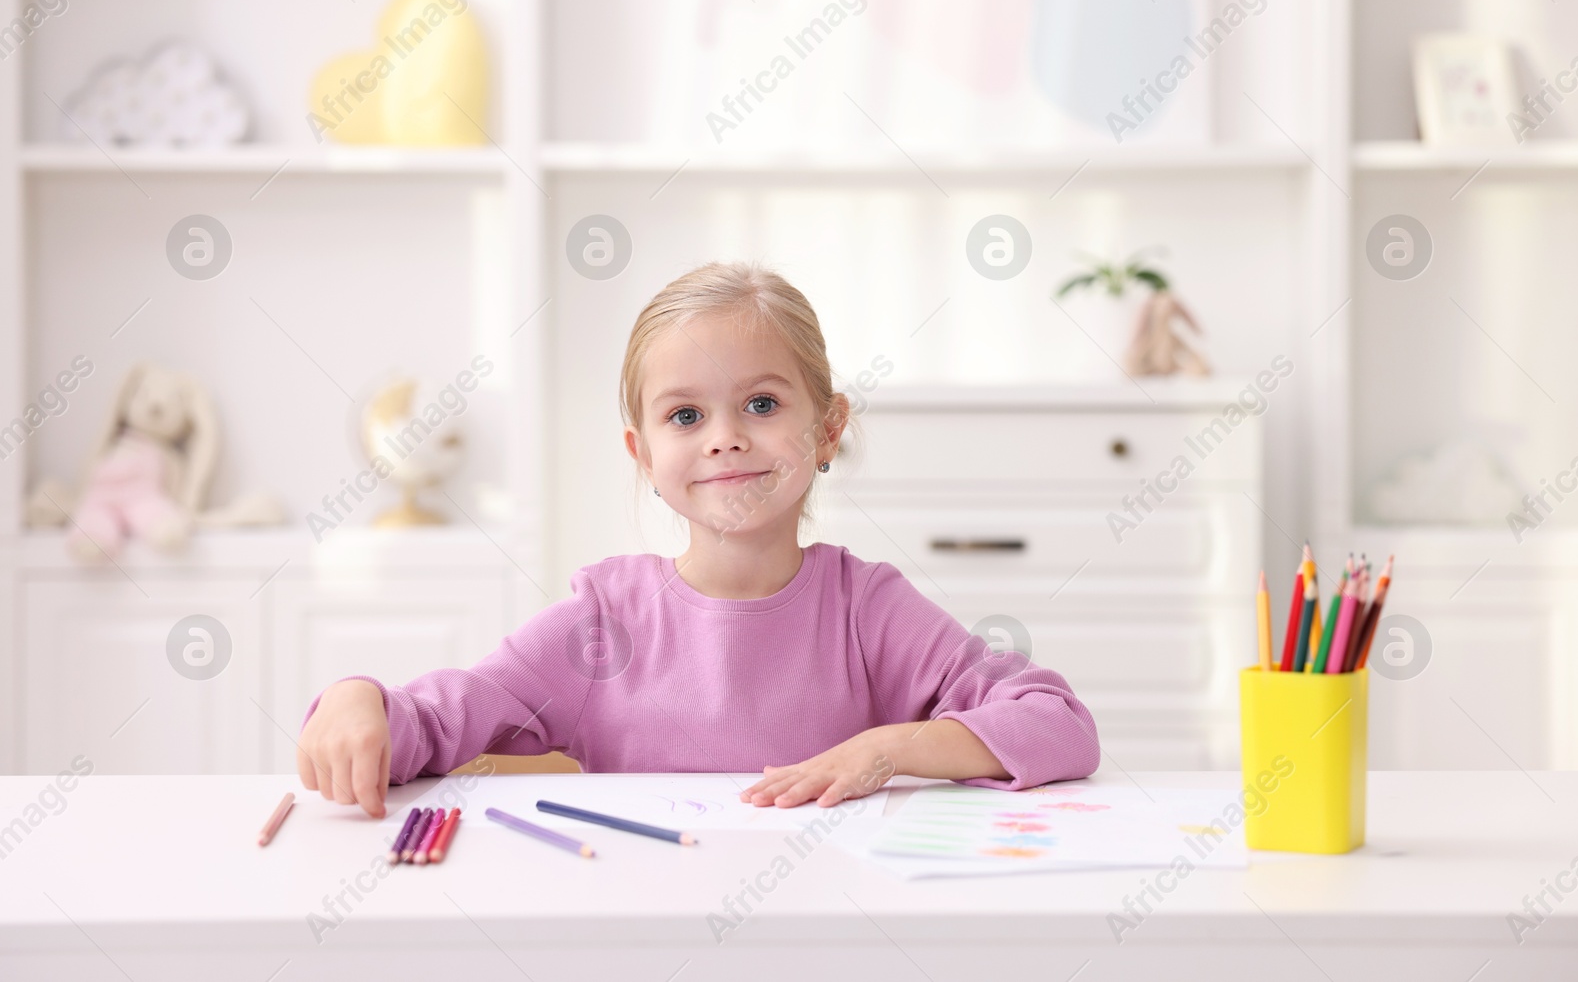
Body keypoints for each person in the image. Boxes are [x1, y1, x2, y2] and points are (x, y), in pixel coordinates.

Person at [297, 261, 1100, 818]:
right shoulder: (602, 619)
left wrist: (885, 750)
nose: (724, 438)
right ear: (642, 453)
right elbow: (442, 718)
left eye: (760, 404)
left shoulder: (865, 608)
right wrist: (355, 699)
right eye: (685, 415)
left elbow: (1058, 720)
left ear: (827, 429)